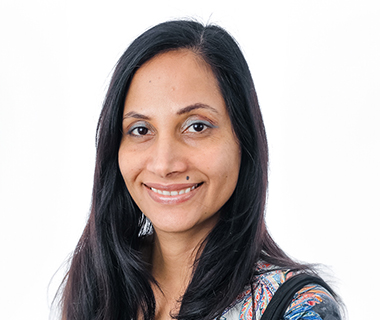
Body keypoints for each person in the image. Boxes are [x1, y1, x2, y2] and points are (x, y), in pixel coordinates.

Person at [58, 20, 342, 320]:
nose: (164, 164)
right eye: (141, 130)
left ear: (242, 141)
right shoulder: (99, 285)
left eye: (196, 126)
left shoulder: (297, 308)